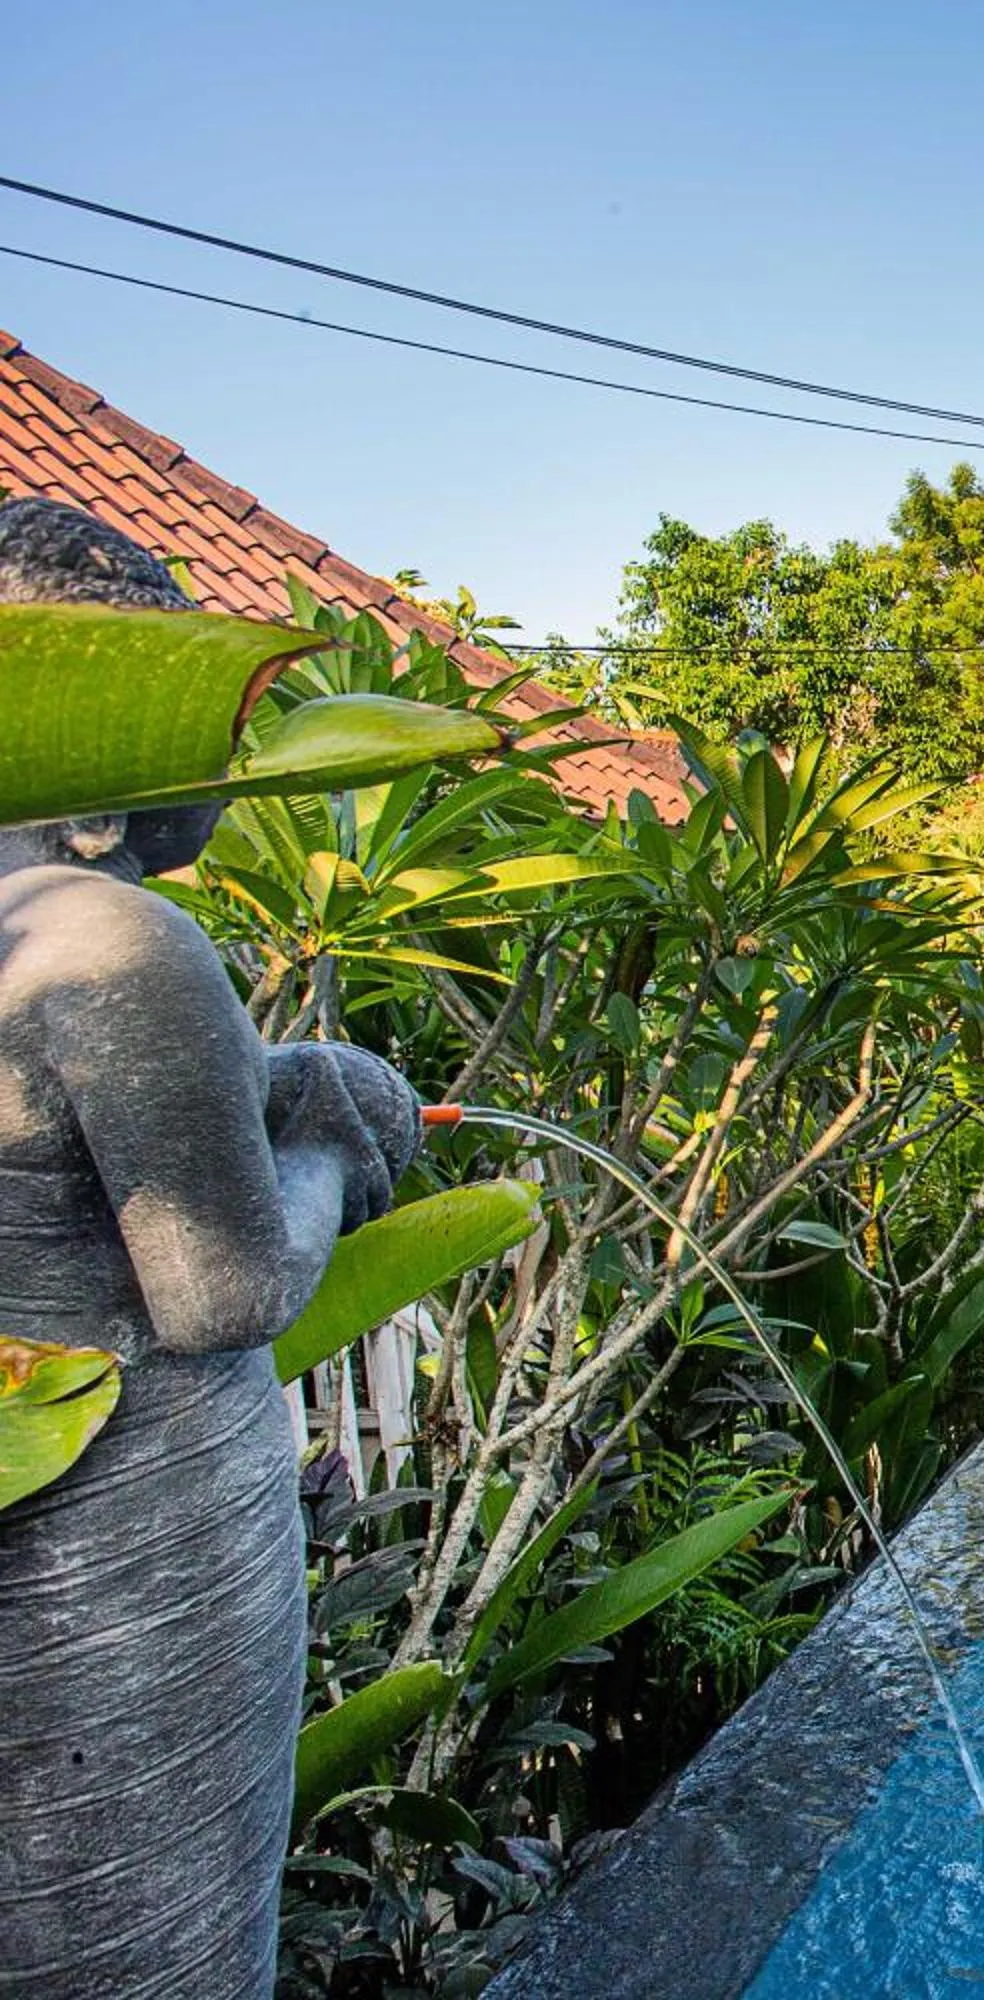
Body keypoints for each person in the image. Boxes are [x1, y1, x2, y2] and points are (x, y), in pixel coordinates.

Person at [0, 499, 422, 2000]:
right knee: (147, 1937)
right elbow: (225, 1286)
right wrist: (334, 1137)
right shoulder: (105, 936)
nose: (237, 764)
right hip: (125, 1548)